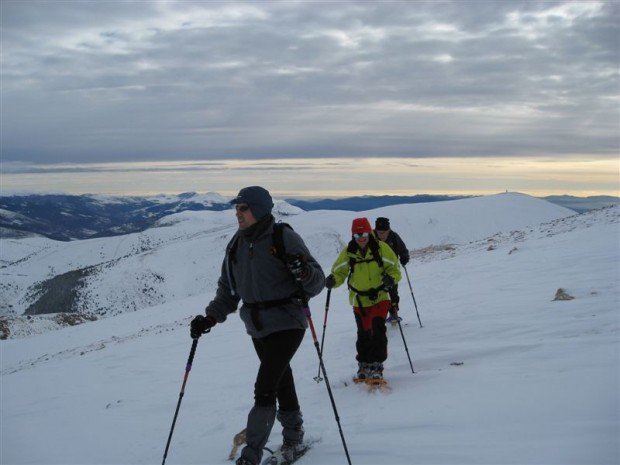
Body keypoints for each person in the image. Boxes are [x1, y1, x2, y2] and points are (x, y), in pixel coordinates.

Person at [190, 186, 325, 465]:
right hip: (257, 326)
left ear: (260, 209)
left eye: (244, 208)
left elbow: (317, 282)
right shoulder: (236, 245)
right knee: (281, 379)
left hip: (288, 321)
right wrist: (210, 318)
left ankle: (250, 456)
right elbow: (228, 292)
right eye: (236, 208)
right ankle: (293, 436)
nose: (238, 214)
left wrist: (304, 271)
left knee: (265, 386)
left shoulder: (283, 237)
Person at [324, 217, 401, 381]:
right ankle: (364, 363)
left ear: (369, 232)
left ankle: (377, 364)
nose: (361, 238)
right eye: (357, 235)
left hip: (380, 297)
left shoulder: (382, 249)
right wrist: (333, 280)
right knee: (364, 333)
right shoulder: (349, 252)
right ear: (353, 235)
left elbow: (394, 269)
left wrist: (391, 279)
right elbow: (339, 272)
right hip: (359, 299)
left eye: (364, 234)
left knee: (378, 330)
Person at [374, 217, 409, 323]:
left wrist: (404, 257)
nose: (381, 235)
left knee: (393, 291)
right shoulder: (371, 237)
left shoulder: (394, 237)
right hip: (375, 271)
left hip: (392, 270)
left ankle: (393, 313)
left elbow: (403, 249)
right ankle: (378, 316)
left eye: (384, 233)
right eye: (379, 233)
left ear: (388, 230)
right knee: (377, 293)